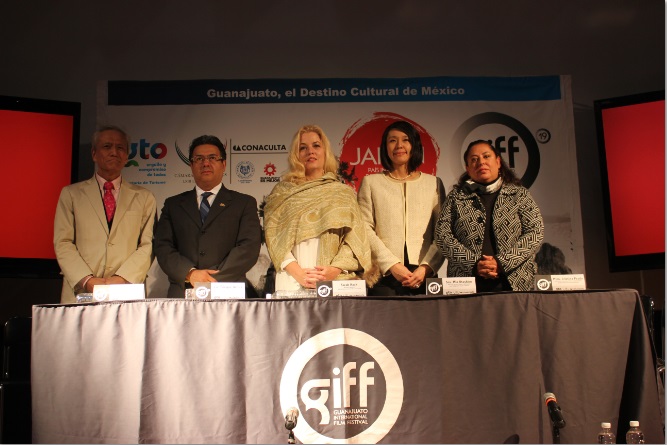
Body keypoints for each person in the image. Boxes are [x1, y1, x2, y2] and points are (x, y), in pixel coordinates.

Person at [263, 124, 377, 294]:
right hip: (292, 280)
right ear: (296, 155)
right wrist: (297, 272)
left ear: (325, 151)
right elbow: (273, 237)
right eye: (303, 148)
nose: (310, 151)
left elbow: (355, 238)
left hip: (335, 280)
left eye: (316, 145)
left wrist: (335, 269)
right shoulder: (281, 193)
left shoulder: (342, 192)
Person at [54, 125, 157, 304]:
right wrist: (88, 280)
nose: (114, 152)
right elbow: (63, 242)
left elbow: (148, 245)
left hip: (126, 291)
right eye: (107, 147)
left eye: (120, 148)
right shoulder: (71, 194)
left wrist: (121, 279)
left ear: (126, 156)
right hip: (81, 291)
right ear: (94, 154)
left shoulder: (144, 197)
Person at [154, 135, 261, 298]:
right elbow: (163, 247)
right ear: (191, 165)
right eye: (199, 159)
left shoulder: (244, 203)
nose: (205, 163)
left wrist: (211, 280)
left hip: (229, 291)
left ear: (223, 164)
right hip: (184, 291)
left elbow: (249, 247)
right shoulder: (173, 205)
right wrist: (190, 274)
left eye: (212, 158)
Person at [435, 140, 544, 292]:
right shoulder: (456, 197)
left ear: (498, 162)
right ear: (467, 168)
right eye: (474, 159)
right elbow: (442, 235)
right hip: (465, 284)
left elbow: (535, 232)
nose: (481, 162)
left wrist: (501, 263)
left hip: (515, 283)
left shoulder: (519, 194)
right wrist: (473, 264)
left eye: (486, 156)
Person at [357, 120, 446, 296]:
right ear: (385, 147)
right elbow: (364, 227)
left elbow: (443, 231)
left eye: (405, 140)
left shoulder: (433, 183)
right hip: (384, 276)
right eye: (392, 140)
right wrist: (391, 265)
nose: (399, 145)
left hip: (424, 276)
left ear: (414, 145)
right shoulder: (371, 182)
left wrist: (427, 267)